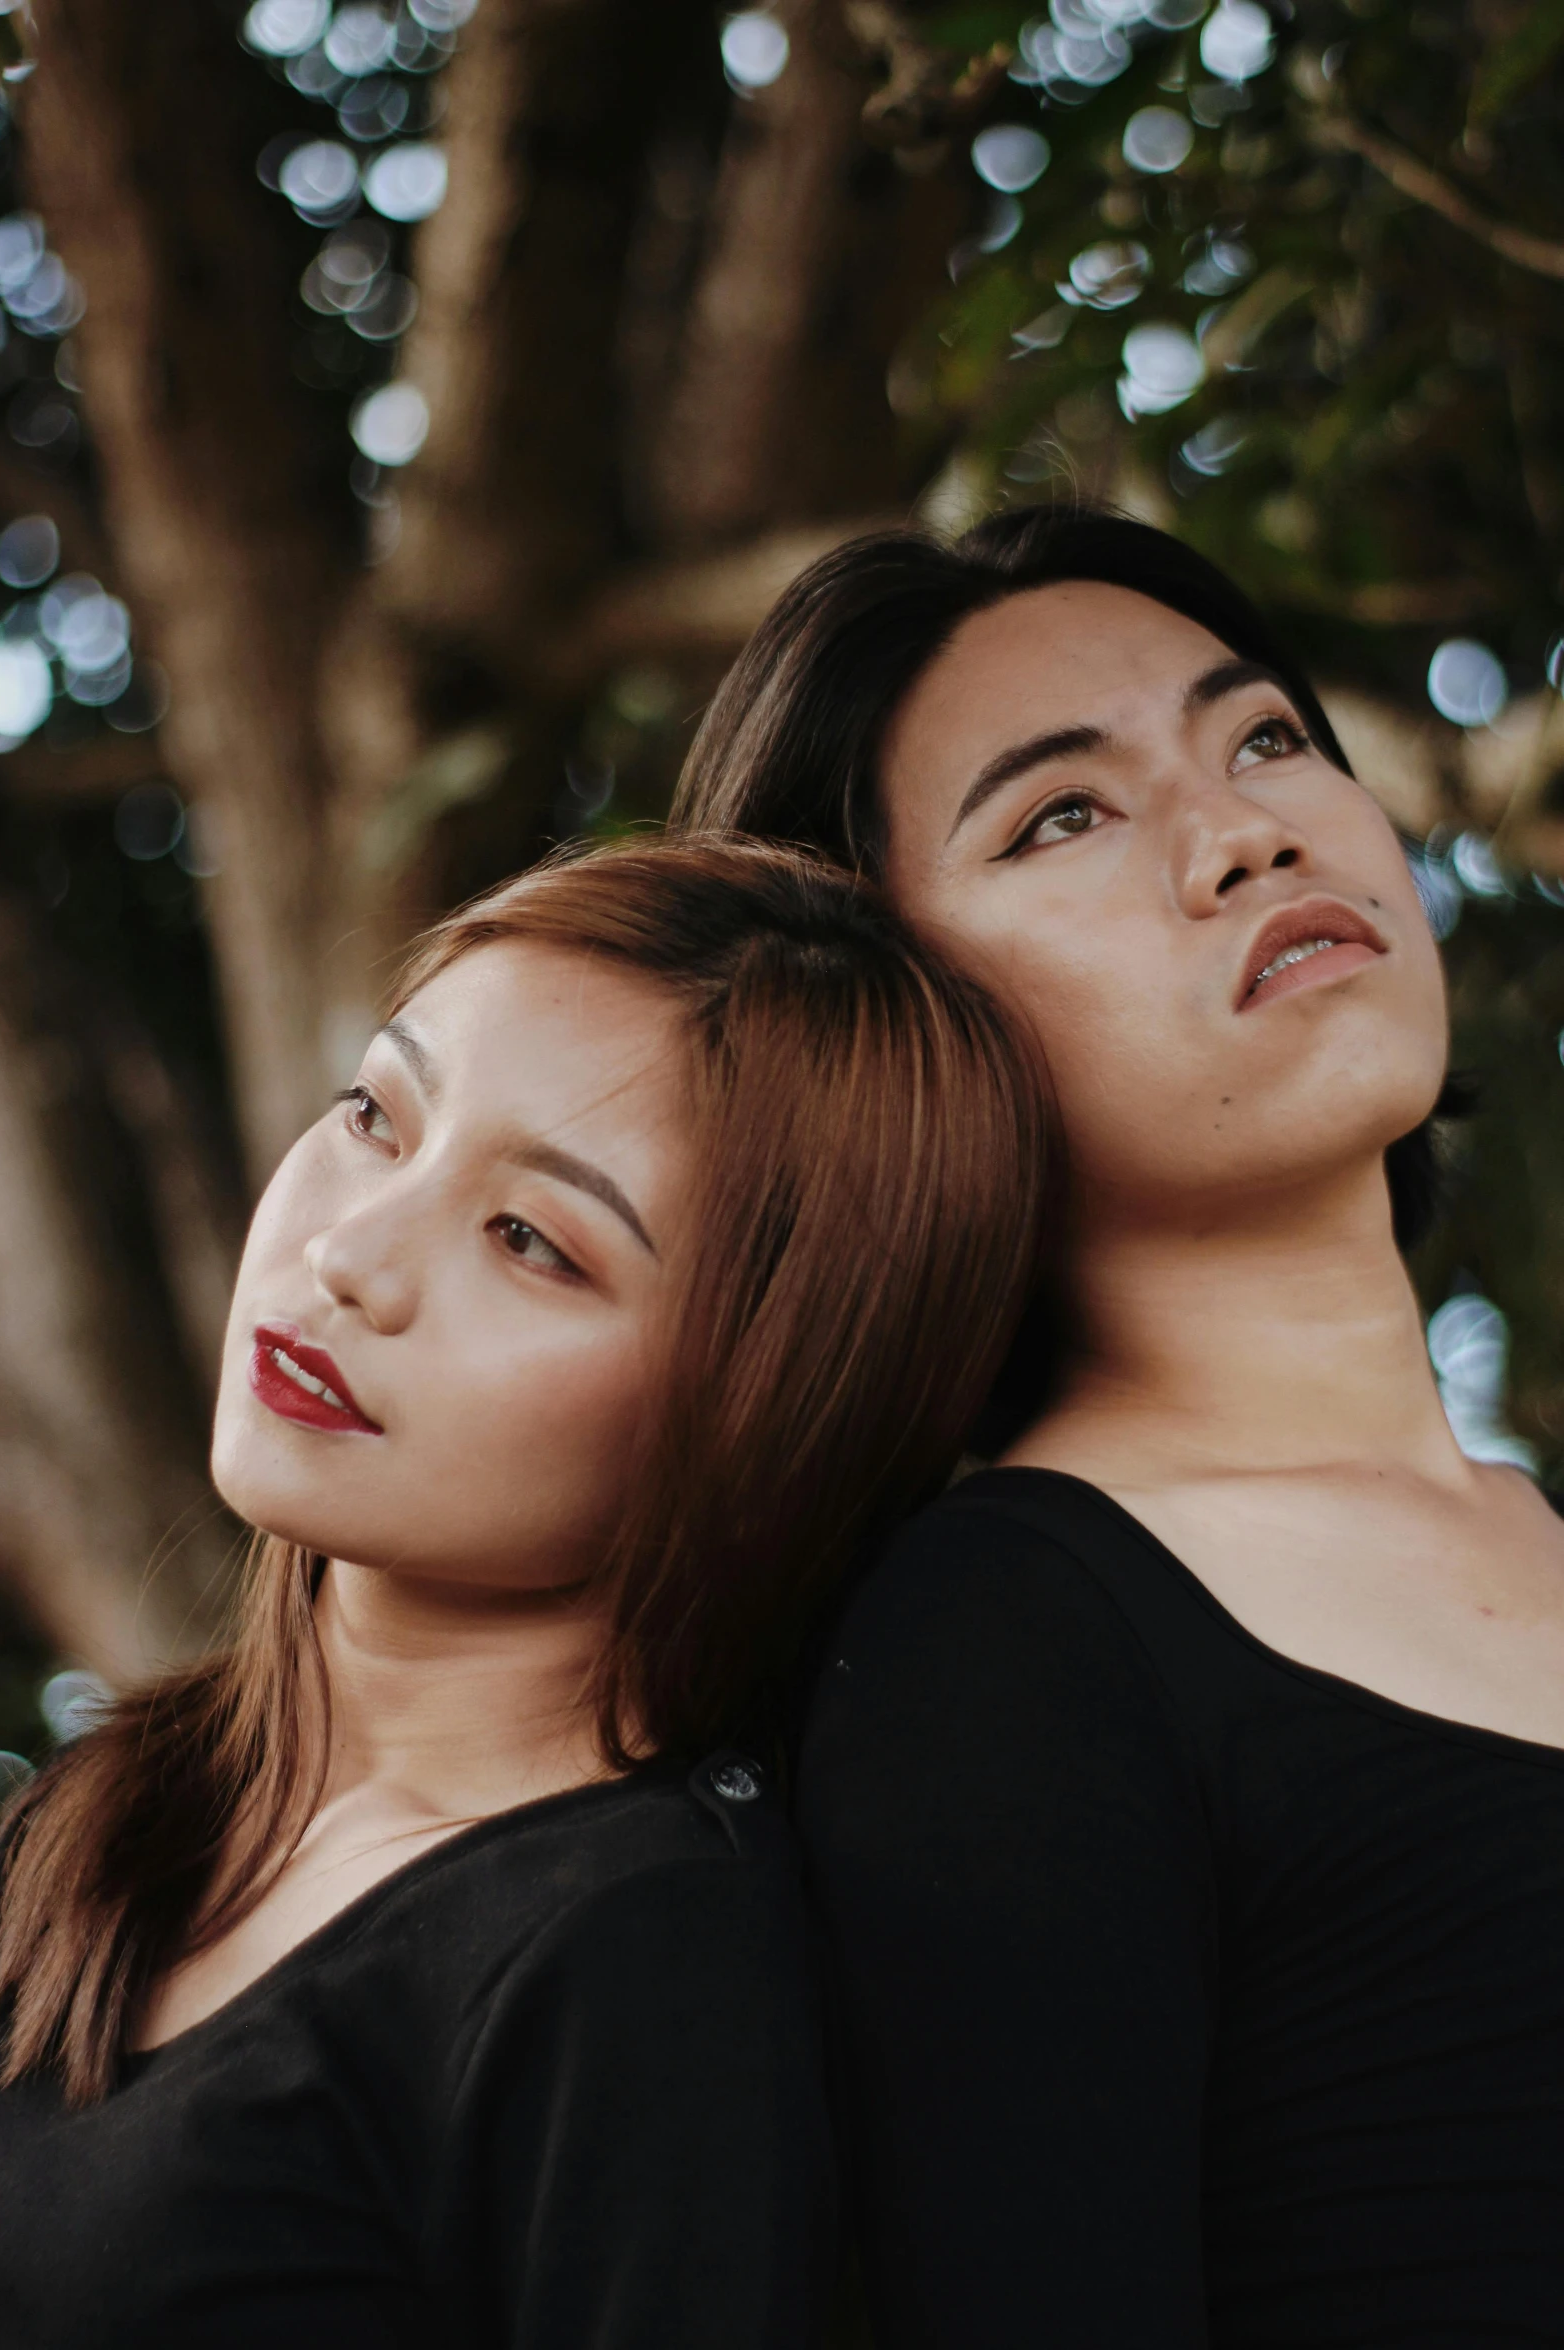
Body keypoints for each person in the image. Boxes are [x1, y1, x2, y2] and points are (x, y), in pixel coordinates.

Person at [672, 504, 1564, 2345]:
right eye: (1058, 815)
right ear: (894, 1034)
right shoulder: (991, 1651)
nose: (1248, 830)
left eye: (1261, 737)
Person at [0, 836, 1045, 2350]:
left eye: (532, 1240)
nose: (351, 1254)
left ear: (767, 1413)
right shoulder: (101, 1816)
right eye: (375, 1113)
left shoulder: (637, 1962)